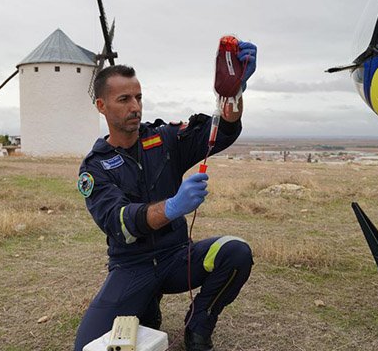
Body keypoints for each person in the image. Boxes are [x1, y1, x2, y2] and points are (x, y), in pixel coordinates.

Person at [74, 42, 257, 351]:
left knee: (235, 251)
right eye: (124, 99)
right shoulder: (95, 167)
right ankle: (147, 304)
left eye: (138, 97)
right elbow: (119, 222)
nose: (135, 106)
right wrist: (172, 207)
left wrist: (234, 93)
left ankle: (199, 323)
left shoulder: (164, 138)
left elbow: (220, 131)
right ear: (102, 106)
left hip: (177, 259)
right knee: (88, 346)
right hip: (132, 267)